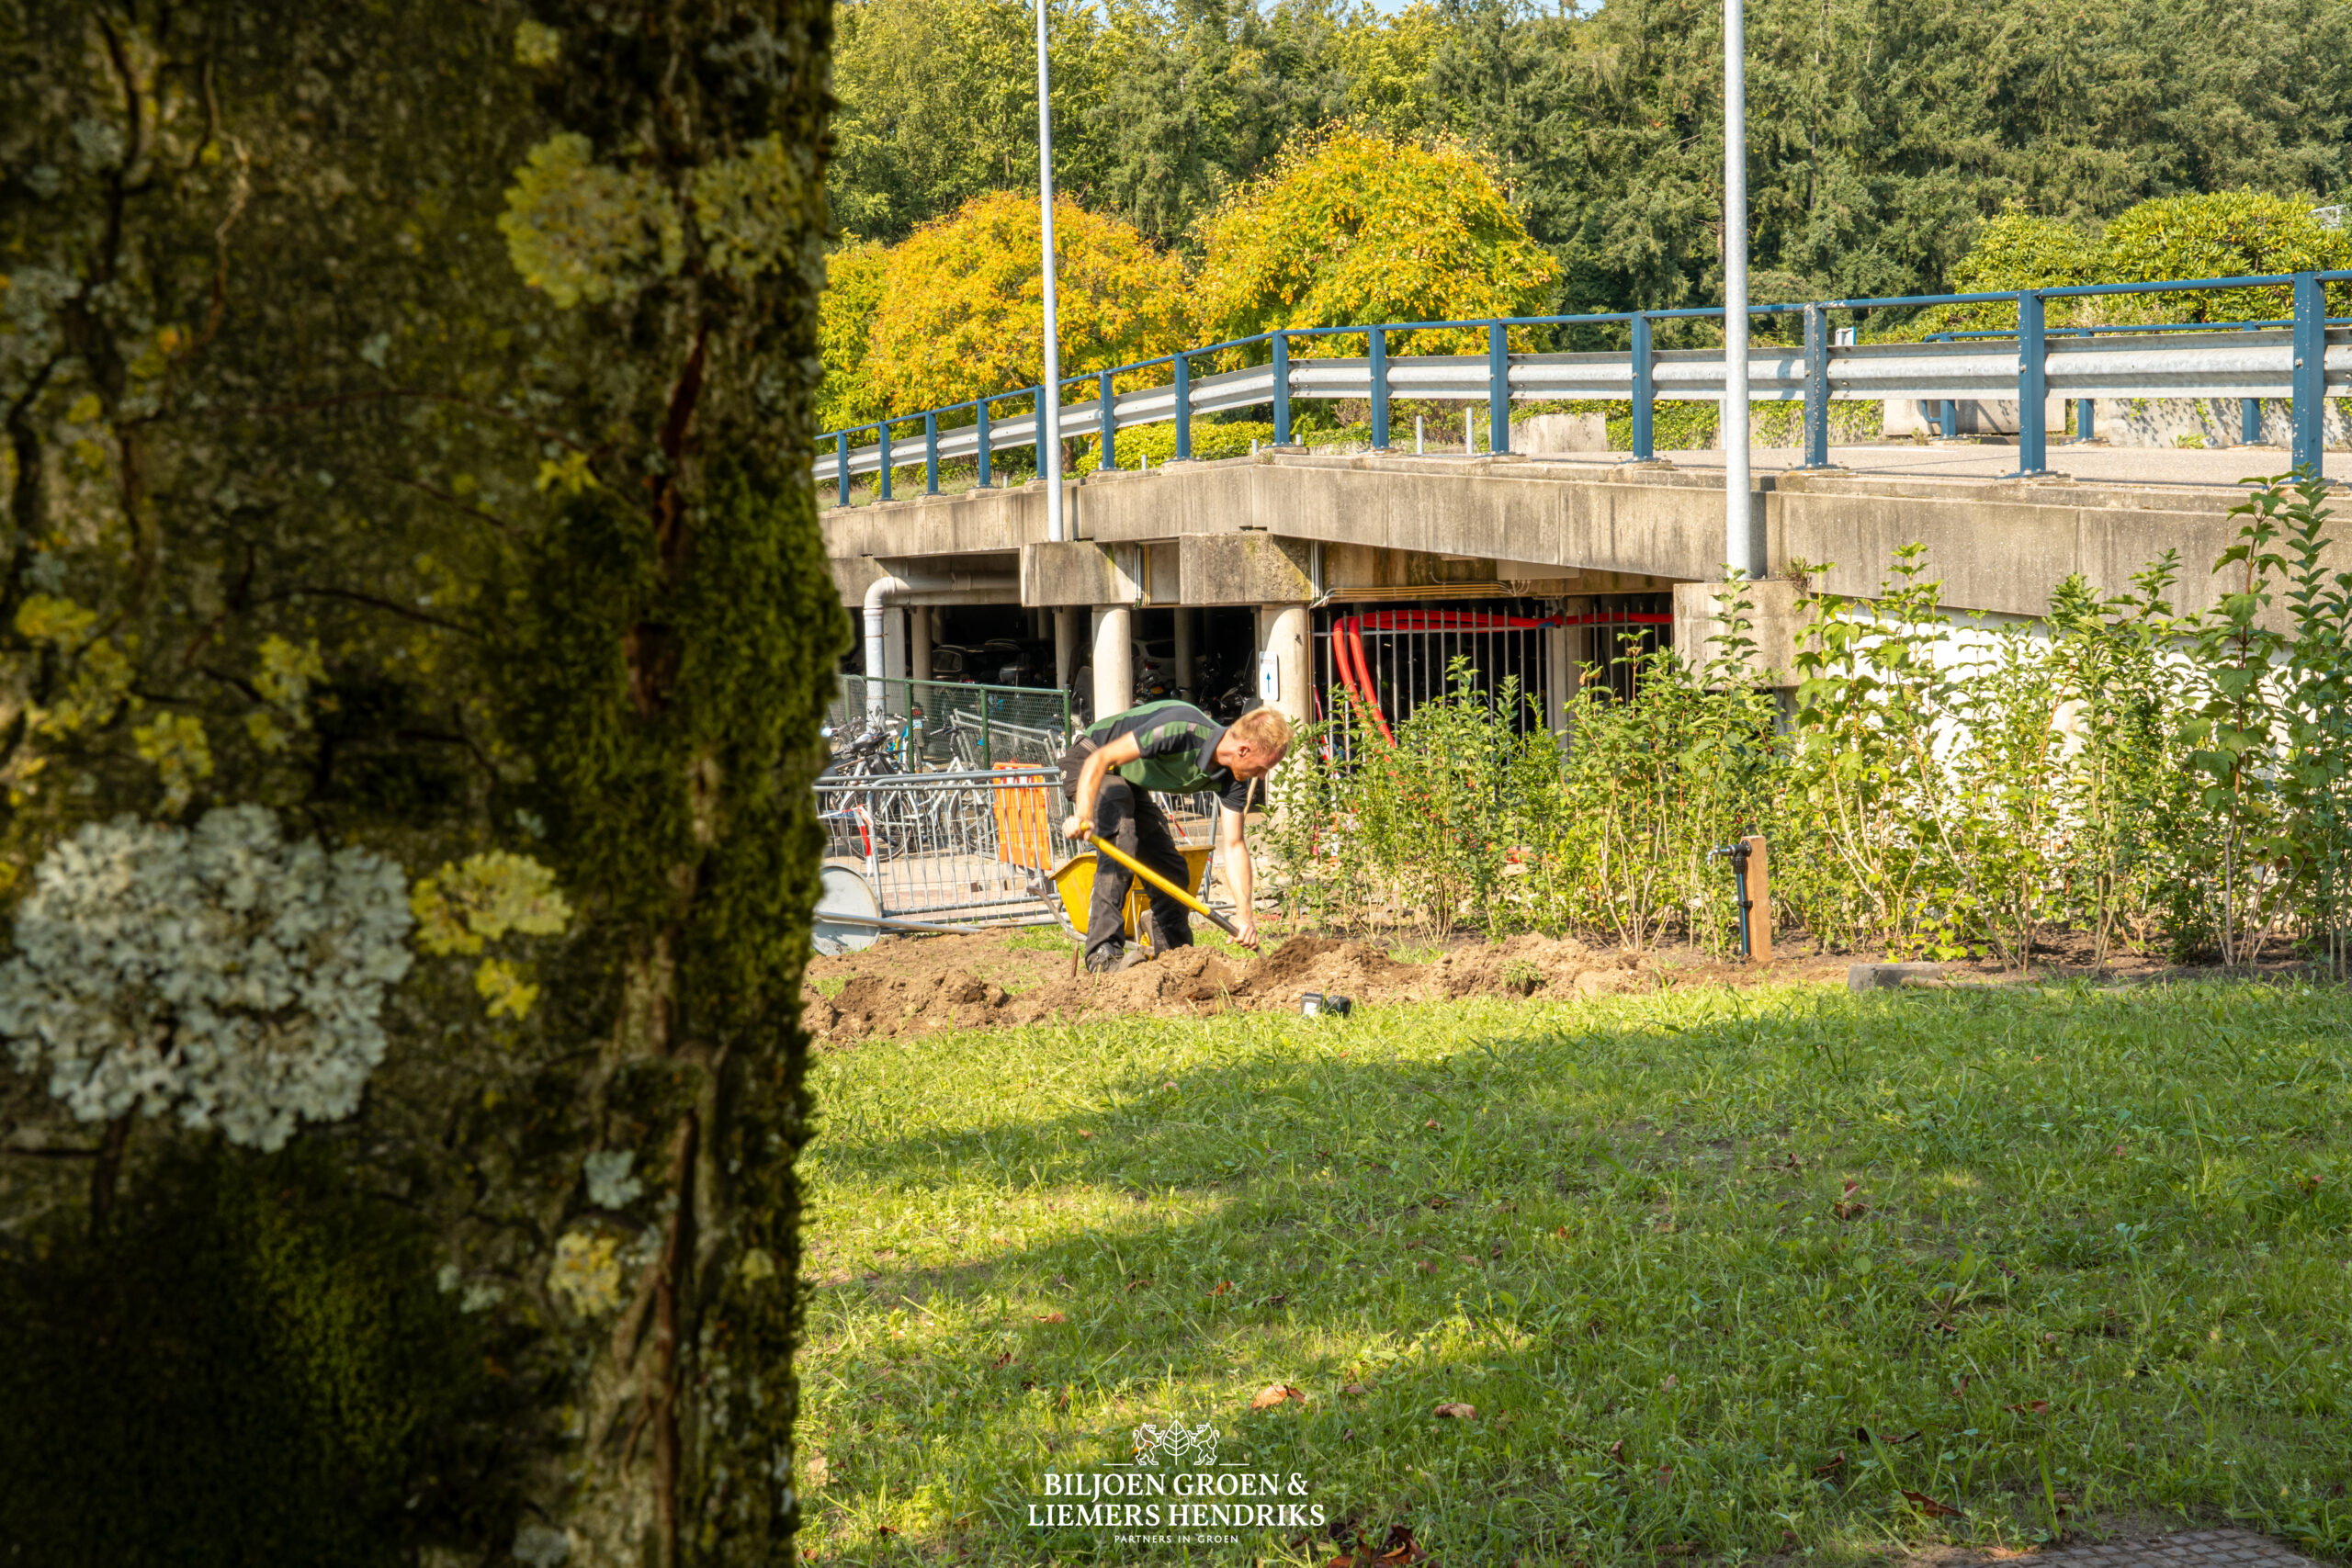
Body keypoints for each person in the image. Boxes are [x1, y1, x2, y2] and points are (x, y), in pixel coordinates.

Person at [1060, 701, 1293, 972]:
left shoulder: (1234, 781)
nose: (1263, 776)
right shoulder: (1180, 728)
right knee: (1120, 833)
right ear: (1243, 750)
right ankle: (1102, 954)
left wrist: (1244, 914)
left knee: (1172, 872)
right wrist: (1083, 815)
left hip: (1129, 781)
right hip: (1091, 758)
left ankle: (1177, 956)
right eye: (1264, 766)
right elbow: (1099, 760)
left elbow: (1234, 845)